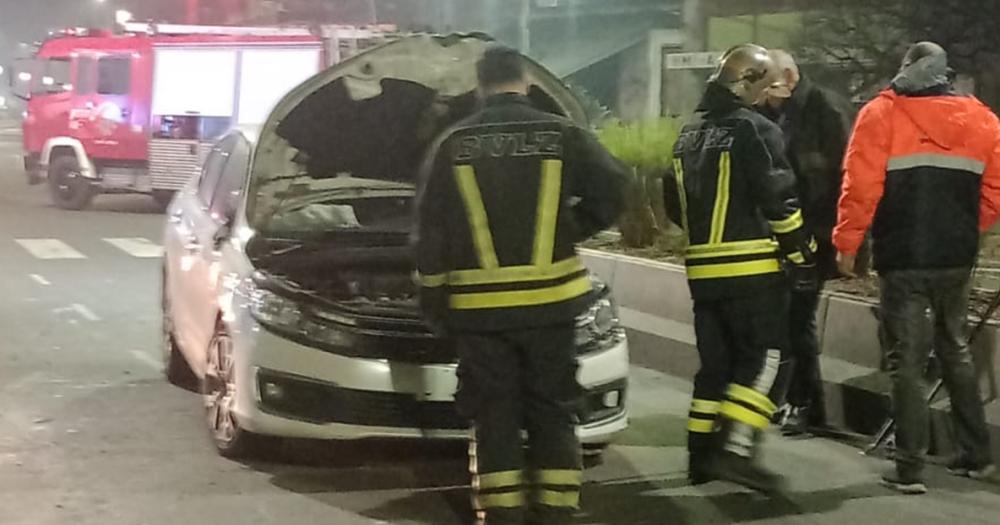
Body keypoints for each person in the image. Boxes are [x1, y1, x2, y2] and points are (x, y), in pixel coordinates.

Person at [413, 46, 627, 525]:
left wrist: (434, 299)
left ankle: (503, 514)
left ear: (481, 85)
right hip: (551, 305)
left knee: (494, 414)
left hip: (481, 310)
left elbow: (430, 231)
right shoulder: (564, 134)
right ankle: (556, 510)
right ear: (526, 82)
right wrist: (570, 228)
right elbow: (616, 186)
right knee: (554, 407)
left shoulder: (452, 143)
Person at [834, 41, 1000, 494]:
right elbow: (994, 191)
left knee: (904, 361)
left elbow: (861, 187)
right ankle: (975, 454)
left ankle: (909, 466)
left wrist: (848, 245)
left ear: (906, 70)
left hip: (903, 257)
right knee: (956, 349)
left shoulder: (881, 115)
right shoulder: (983, 120)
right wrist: (966, 229)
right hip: (955, 258)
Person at [663, 43, 817, 493]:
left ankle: (699, 456)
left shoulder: (685, 136)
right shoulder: (757, 131)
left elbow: (675, 206)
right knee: (767, 357)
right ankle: (736, 451)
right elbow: (779, 200)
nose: (768, 96)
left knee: (715, 366)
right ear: (747, 83)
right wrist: (801, 254)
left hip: (702, 273)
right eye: (765, 86)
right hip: (751, 271)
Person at [758, 50, 858, 436]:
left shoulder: (824, 110)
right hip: (786, 232)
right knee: (785, 320)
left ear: (786, 77)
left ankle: (805, 404)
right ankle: (794, 400)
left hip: (813, 233)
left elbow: (841, 177)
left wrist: (836, 238)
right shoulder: (775, 114)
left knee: (796, 319)